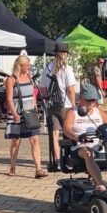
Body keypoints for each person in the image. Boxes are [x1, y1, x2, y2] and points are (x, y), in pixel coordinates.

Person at [63, 84, 107, 192]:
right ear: (81, 99)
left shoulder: (98, 112)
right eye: (89, 100)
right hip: (80, 147)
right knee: (88, 152)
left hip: (99, 146)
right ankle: (100, 185)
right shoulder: (73, 111)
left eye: (94, 100)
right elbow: (66, 129)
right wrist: (77, 137)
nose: (92, 102)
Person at [4, 55, 48, 178]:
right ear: (20, 66)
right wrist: (14, 113)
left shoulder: (29, 77)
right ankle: (12, 168)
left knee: (35, 139)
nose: (29, 67)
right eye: (27, 65)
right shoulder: (11, 79)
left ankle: (38, 169)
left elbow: (33, 94)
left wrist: (35, 107)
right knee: (16, 141)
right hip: (18, 111)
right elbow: (9, 98)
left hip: (30, 112)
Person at [39, 42, 79, 170]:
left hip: (52, 105)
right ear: (65, 54)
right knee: (68, 132)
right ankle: (67, 158)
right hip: (65, 106)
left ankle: (56, 160)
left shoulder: (47, 68)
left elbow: (43, 88)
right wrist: (73, 105)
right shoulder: (67, 69)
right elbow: (71, 89)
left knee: (54, 133)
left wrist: (47, 100)